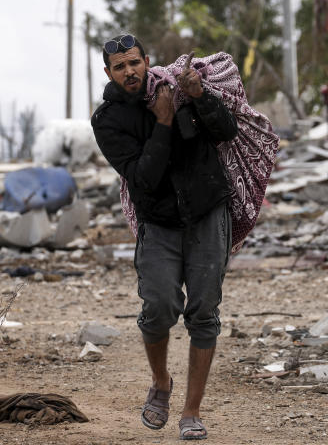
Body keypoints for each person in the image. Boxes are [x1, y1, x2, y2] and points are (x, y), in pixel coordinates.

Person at [91, 34, 238, 441]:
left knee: (205, 310)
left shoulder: (177, 88)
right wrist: (163, 122)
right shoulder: (107, 120)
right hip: (158, 222)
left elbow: (226, 132)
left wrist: (201, 95)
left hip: (207, 213)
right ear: (109, 73)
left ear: (146, 61)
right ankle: (161, 383)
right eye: (119, 67)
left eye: (134, 63)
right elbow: (142, 180)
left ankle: (191, 412)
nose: (129, 72)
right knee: (158, 306)